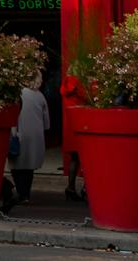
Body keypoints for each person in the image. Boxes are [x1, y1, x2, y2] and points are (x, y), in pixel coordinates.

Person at [9, 70, 49, 205]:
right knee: (29, 168)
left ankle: (21, 193)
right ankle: (26, 194)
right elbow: (46, 122)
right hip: (36, 135)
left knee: (16, 165)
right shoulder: (41, 96)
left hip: (20, 134)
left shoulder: (17, 94)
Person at [59, 70, 86, 201]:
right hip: (81, 124)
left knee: (74, 159)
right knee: (87, 159)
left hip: (69, 127)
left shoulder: (65, 87)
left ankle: (71, 187)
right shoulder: (79, 86)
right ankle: (86, 188)